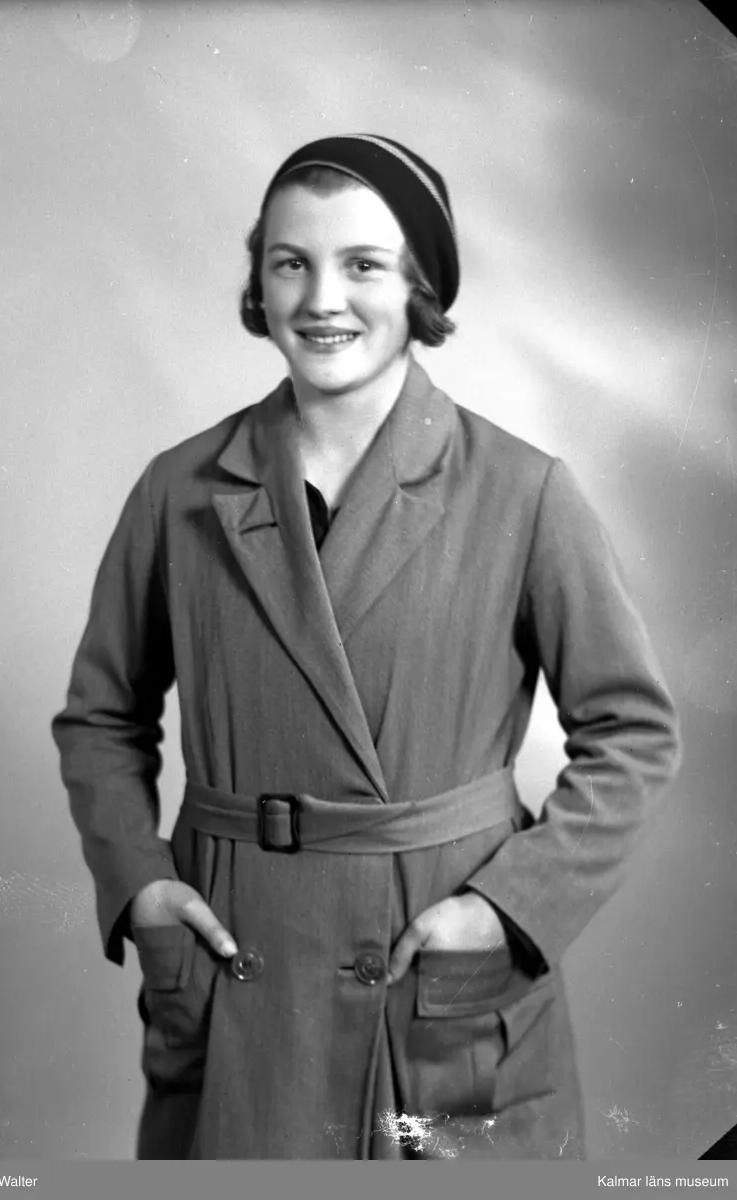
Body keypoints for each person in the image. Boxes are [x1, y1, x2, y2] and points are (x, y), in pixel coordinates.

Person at [51, 134, 682, 1160]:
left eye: (362, 265)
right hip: (237, 965)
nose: (320, 299)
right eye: (289, 262)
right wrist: (140, 885)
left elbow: (635, 735)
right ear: (258, 280)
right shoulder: (177, 490)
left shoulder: (522, 492)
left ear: (419, 285)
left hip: (429, 964)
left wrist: (506, 909)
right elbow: (100, 716)